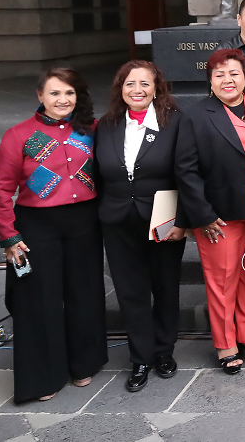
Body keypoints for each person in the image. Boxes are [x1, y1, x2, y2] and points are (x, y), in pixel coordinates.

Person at [0, 67, 107, 402]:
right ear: (40, 96)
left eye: (69, 93)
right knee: (38, 300)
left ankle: (83, 363)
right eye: (55, 93)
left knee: (83, 293)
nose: (63, 100)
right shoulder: (19, 136)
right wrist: (9, 237)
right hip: (36, 227)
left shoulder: (91, 129)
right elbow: (2, 191)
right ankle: (44, 377)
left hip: (84, 222)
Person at [176, 48, 245, 374]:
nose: (227, 80)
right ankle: (225, 344)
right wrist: (202, 214)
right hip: (219, 216)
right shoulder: (195, 115)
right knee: (222, 281)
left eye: (234, 73)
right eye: (219, 74)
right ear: (210, 81)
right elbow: (186, 171)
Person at [94, 61, 186, 393]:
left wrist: (183, 221)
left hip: (162, 217)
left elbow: (186, 172)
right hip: (118, 219)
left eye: (145, 84)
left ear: (157, 88)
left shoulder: (174, 122)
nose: (137, 90)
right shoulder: (106, 125)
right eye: (130, 83)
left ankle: (164, 351)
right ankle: (140, 357)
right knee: (131, 292)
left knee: (164, 287)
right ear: (121, 88)